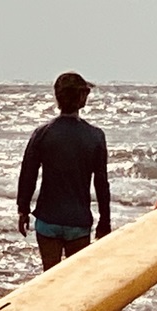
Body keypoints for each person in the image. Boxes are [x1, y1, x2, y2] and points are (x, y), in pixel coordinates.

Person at [15, 71, 112, 268]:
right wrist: (105, 220)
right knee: (75, 281)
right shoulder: (95, 136)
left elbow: (28, 175)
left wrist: (23, 209)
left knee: (50, 277)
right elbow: (101, 183)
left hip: (48, 219)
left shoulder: (42, 134)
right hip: (79, 221)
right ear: (82, 98)